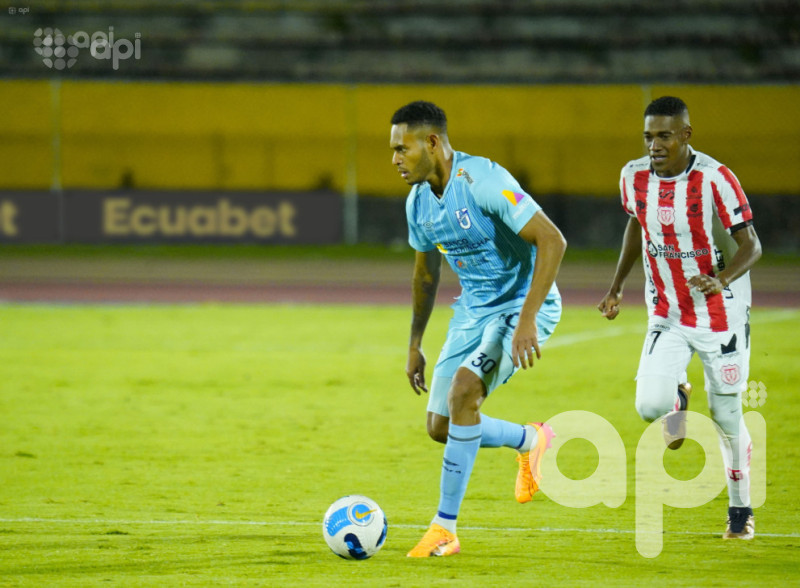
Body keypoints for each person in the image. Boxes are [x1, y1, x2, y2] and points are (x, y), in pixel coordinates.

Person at [390, 100, 566, 557]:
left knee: (466, 393)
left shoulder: (484, 180)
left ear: (432, 142)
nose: (394, 159)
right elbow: (426, 275)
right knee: (440, 425)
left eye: (401, 148)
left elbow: (552, 239)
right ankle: (531, 439)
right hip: (473, 312)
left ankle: (444, 527)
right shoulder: (418, 203)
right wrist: (415, 344)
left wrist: (526, 319)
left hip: (523, 305)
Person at [598, 96, 762, 540]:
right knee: (650, 406)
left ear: (686, 135)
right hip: (667, 309)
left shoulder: (715, 178)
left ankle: (740, 510)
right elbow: (637, 224)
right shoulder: (632, 176)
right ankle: (678, 400)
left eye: (664, 136)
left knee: (727, 415)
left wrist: (721, 279)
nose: (655, 145)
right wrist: (616, 286)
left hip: (720, 312)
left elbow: (752, 246)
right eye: (649, 136)